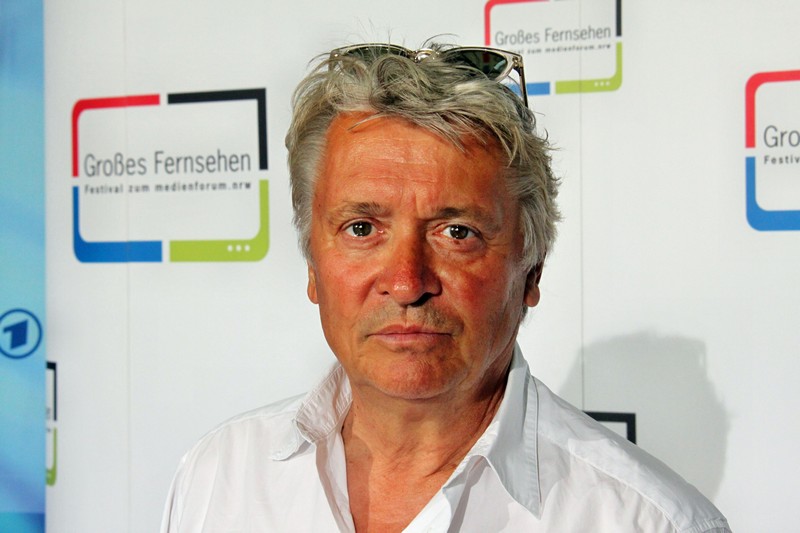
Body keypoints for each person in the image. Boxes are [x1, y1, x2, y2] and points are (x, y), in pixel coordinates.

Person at [161, 42, 730, 532]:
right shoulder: (220, 477)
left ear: (531, 271)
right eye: (361, 228)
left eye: (457, 233)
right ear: (312, 264)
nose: (407, 282)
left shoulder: (649, 521)